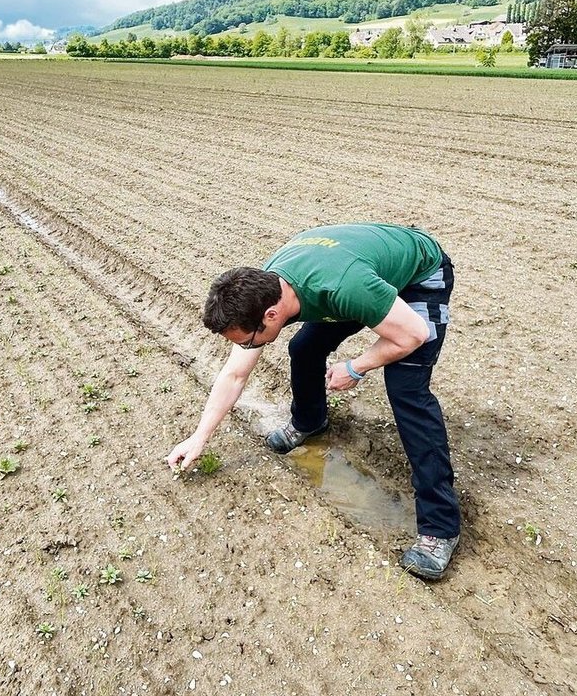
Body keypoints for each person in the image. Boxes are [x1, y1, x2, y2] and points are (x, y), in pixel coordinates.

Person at [165, 223, 460, 580]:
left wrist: (356, 366)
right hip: (360, 272)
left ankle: (441, 528)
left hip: (418, 274)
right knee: (304, 348)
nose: (247, 348)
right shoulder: (264, 291)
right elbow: (235, 374)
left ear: (271, 316)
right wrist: (199, 437)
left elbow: (414, 334)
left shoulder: (343, 286)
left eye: (247, 341)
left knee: (407, 391)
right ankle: (309, 421)